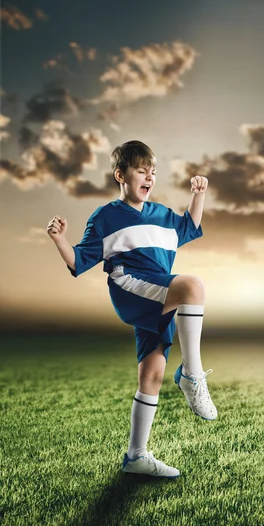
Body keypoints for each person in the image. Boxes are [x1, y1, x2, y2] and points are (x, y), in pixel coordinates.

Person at [46, 140, 217, 479]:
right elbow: (80, 261)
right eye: (142, 170)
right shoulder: (106, 217)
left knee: (151, 373)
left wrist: (198, 195)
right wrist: (59, 240)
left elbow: (189, 227)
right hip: (132, 286)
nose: (149, 176)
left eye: (152, 171)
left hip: (159, 295)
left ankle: (136, 456)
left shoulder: (163, 216)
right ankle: (191, 375)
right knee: (193, 286)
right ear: (120, 175)